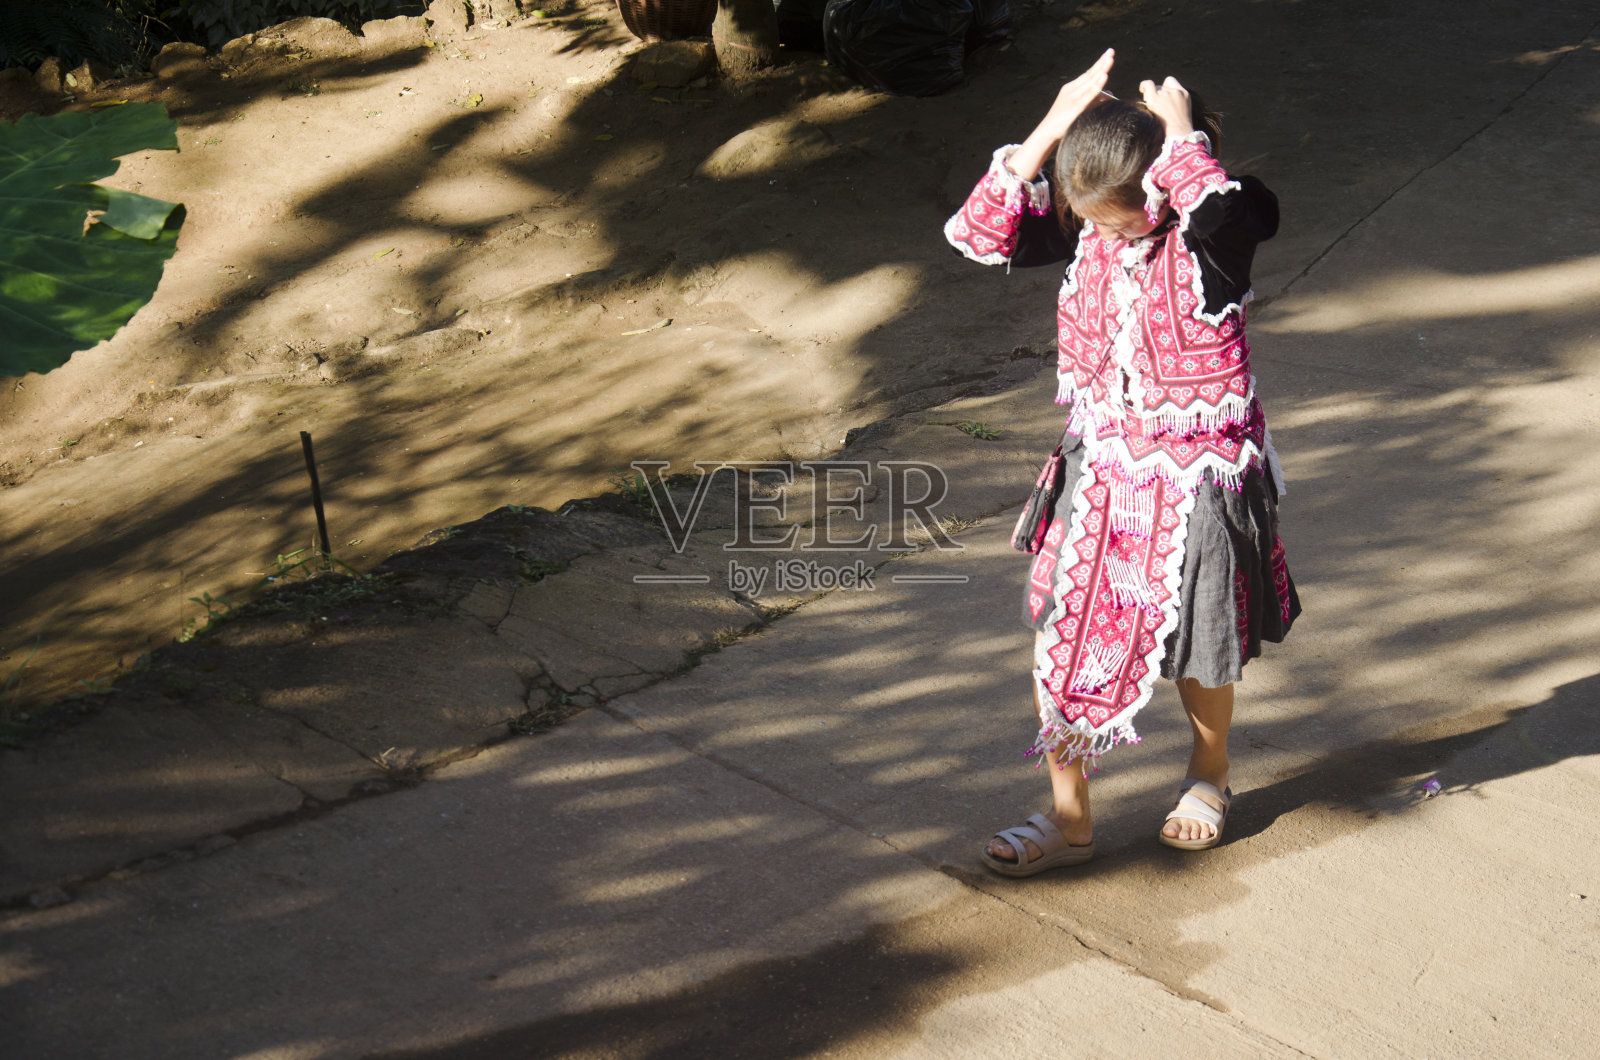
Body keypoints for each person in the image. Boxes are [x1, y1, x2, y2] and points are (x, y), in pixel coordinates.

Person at [944, 48, 1300, 876]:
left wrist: (1179, 132)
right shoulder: (1090, 235)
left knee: (1202, 641)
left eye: (1115, 216)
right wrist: (1054, 124)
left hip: (1202, 473)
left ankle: (1208, 776)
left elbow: (1219, 211)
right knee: (1063, 640)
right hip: (1103, 466)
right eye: (1087, 216)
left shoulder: (1217, 233)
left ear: (1163, 188)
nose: (1097, 231)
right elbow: (976, 232)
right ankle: (1068, 817)